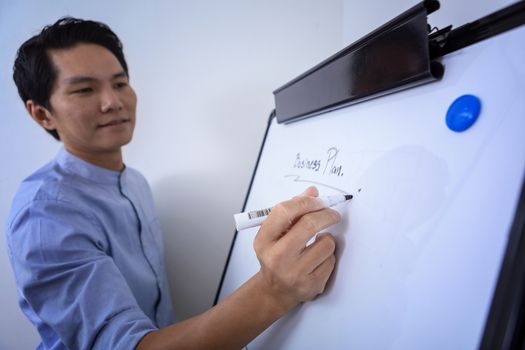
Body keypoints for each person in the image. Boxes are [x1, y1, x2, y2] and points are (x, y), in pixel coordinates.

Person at [6, 17, 340, 349]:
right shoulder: (44, 214)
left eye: (120, 83)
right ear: (42, 114)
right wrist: (273, 291)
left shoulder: (135, 183)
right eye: (85, 89)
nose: (113, 101)